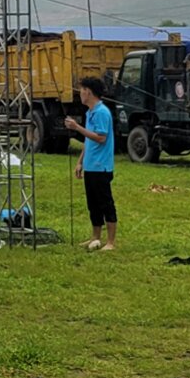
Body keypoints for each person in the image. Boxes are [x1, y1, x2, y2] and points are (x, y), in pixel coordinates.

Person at [65, 75, 118, 251]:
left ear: (88, 92)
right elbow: (89, 141)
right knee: (93, 204)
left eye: (81, 90)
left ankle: (110, 242)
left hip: (101, 166)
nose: (80, 94)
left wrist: (77, 128)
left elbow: (101, 138)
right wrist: (80, 162)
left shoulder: (101, 112)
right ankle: (95, 237)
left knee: (105, 203)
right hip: (90, 165)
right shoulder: (90, 112)